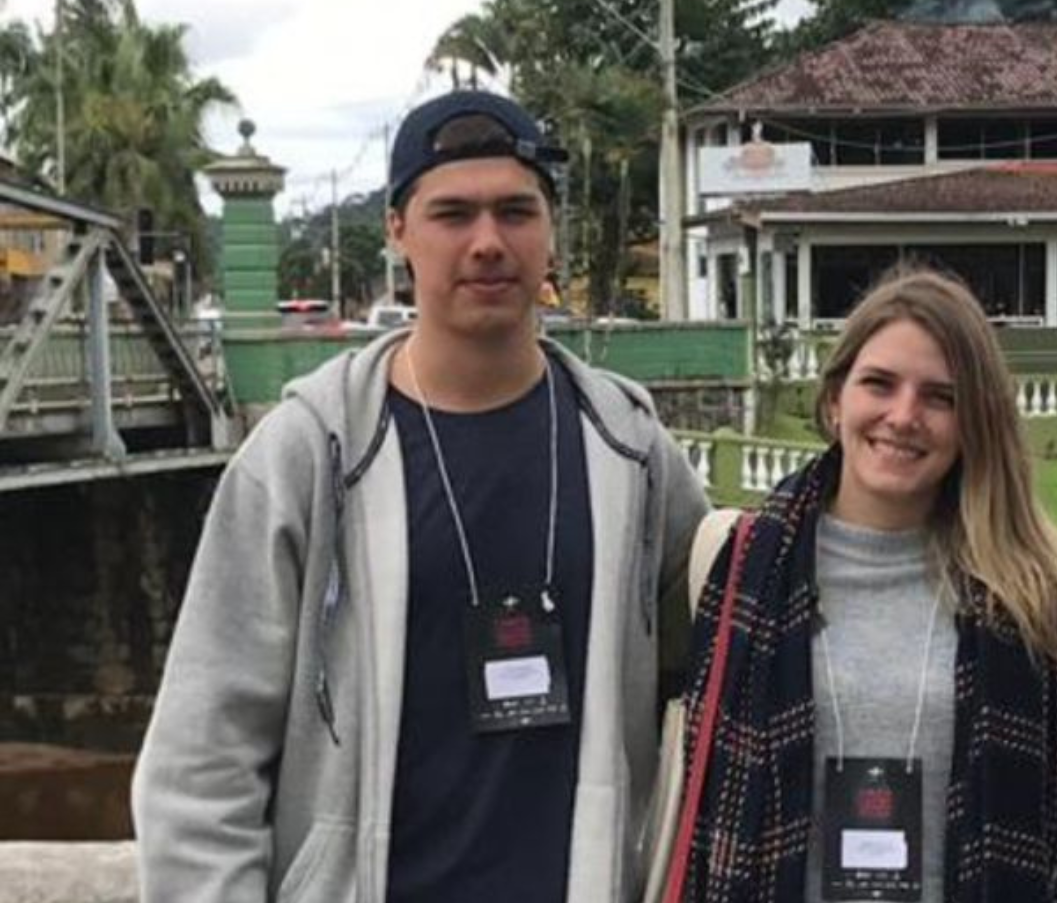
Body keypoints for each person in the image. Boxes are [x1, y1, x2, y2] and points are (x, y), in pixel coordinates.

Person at [132, 90, 709, 902]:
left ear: (550, 230)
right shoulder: (309, 454)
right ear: (398, 230)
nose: (487, 243)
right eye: (452, 214)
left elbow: (729, 645)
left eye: (516, 210)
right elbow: (202, 759)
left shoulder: (628, 444)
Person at [675, 266, 1057, 903]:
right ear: (836, 399)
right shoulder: (742, 566)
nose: (904, 416)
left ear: (974, 419)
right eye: (880, 384)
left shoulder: (1031, 589)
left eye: (940, 398)